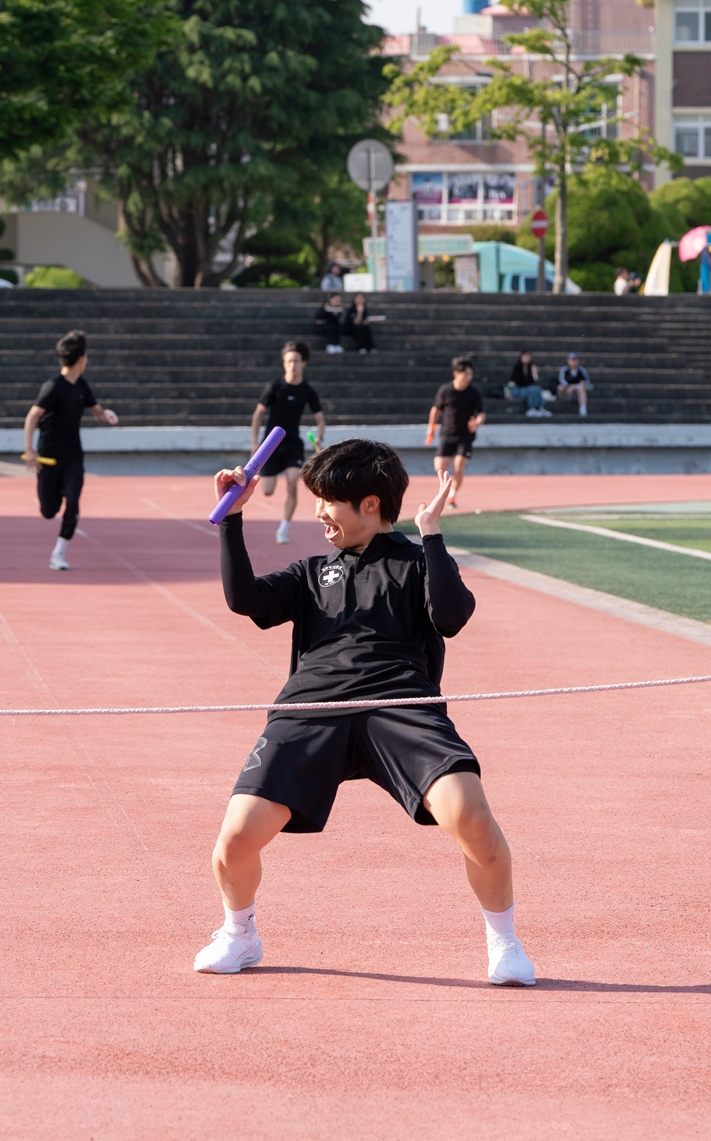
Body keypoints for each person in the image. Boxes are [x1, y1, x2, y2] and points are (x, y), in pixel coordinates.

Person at [196, 440, 535, 986]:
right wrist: (231, 521)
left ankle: (505, 942)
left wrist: (432, 535)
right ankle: (240, 933)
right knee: (234, 842)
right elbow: (247, 602)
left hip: (401, 703)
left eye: (328, 502)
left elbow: (451, 617)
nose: (318, 514)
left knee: (472, 816)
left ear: (371, 504)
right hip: (310, 709)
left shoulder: (417, 562)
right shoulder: (311, 572)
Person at [22, 329, 120, 572]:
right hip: (48, 458)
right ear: (80, 359)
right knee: (49, 510)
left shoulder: (82, 386)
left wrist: (106, 416)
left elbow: (96, 412)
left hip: (73, 456)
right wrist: (30, 450)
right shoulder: (53, 386)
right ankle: (55, 532)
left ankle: (59, 552)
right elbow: (32, 416)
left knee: (74, 501)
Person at [252, 341, 327, 545]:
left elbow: (320, 420)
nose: (292, 365)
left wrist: (319, 436)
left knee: (293, 484)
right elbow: (258, 414)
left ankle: (283, 529)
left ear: (303, 363)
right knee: (267, 490)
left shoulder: (307, 391)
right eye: (288, 361)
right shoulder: (275, 387)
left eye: (295, 361)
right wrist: (254, 443)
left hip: (293, 442)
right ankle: (272, 472)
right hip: (270, 444)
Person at [426, 356, 486, 508]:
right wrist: (431, 428)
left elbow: (481, 413)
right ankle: (444, 489)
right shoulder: (446, 390)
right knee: (439, 466)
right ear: (456, 374)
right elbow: (436, 409)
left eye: (470, 374)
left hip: (465, 436)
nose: (468, 377)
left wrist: (477, 422)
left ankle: (452, 496)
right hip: (447, 434)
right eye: (465, 374)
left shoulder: (473, 392)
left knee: (459, 466)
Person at [507, 351, 549, 417]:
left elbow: (532, 382)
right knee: (531, 390)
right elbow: (519, 381)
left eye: (529, 357)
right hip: (517, 389)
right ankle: (531, 408)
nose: (527, 358)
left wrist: (534, 373)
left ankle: (541, 408)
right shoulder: (517, 367)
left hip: (525, 388)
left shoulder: (530, 368)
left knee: (538, 389)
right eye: (525, 357)